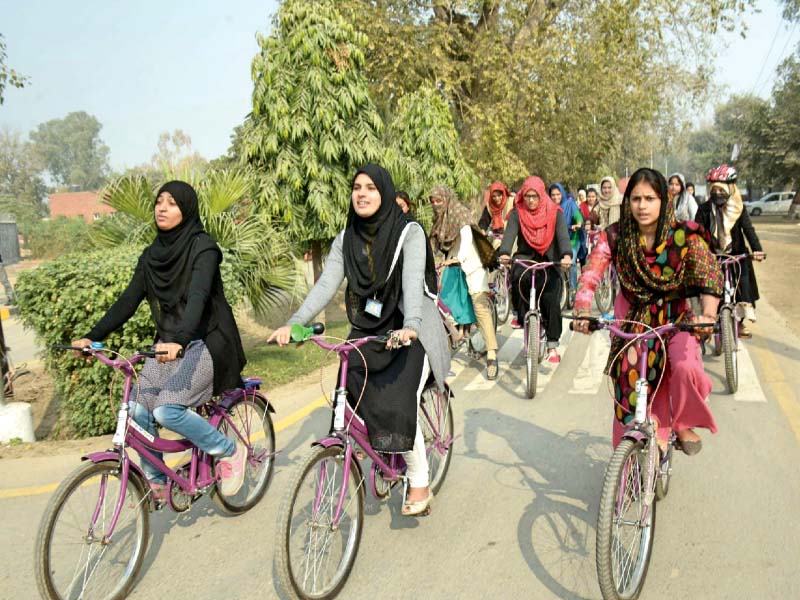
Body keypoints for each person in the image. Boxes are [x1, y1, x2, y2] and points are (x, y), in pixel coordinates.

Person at [269, 164, 449, 516]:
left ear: (384, 193)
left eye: (370, 187)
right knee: (352, 384)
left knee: (398, 398)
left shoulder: (408, 232)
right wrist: (295, 323)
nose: (362, 193)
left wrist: (411, 326)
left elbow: (413, 282)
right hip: (371, 325)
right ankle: (383, 450)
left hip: (410, 327)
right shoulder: (346, 238)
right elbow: (325, 285)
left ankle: (419, 476)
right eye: (356, 187)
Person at [72, 181, 248, 499]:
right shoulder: (152, 256)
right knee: (136, 410)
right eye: (159, 202)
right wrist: (92, 337)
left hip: (207, 342)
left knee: (167, 411)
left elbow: (197, 297)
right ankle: (157, 479)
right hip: (168, 345)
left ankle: (229, 450)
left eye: (172, 203)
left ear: (187, 210)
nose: (162, 208)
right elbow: (128, 300)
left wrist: (180, 339)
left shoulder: (203, 248)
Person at [573, 168, 723, 454]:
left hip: (676, 320)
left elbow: (709, 277)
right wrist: (582, 309)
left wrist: (708, 315)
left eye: (650, 198)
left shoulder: (684, 236)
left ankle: (681, 421)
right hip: (632, 321)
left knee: (684, 366)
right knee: (628, 387)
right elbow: (593, 270)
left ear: (663, 200)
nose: (642, 206)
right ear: (627, 201)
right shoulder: (616, 237)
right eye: (636, 199)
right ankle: (625, 464)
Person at [429, 185, 500, 380]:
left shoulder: (460, 213)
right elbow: (434, 243)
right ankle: (453, 341)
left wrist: (459, 258)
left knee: (479, 306)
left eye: (439, 201)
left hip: (472, 262)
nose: (436, 205)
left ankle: (492, 355)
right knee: (444, 305)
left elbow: (467, 237)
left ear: (447, 199)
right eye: (433, 202)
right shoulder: (439, 220)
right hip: (453, 263)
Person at [498, 176, 571, 363]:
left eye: (534, 196)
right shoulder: (517, 213)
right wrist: (505, 252)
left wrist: (566, 255)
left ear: (541, 195)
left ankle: (552, 345)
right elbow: (510, 235)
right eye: (527, 196)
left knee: (551, 299)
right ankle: (521, 316)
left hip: (550, 260)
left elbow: (563, 236)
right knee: (516, 278)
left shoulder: (555, 212)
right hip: (526, 258)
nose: (530, 200)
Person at [695, 164, 765, 338]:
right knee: (709, 289)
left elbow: (748, 230)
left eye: (721, 189)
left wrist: (757, 250)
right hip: (712, 255)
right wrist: (699, 252)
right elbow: (697, 234)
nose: (717, 193)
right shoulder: (704, 209)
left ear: (730, 188)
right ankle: (710, 320)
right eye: (714, 189)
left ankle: (739, 323)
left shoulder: (738, 208)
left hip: (736, 254)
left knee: (743, 284)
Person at [549, 182, 584, 302]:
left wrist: (578, 224)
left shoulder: (570, 204)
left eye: (558, 194)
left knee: (572, 262)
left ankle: (573, 290)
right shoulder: (549, 207)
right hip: (556, 241)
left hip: (572, 239)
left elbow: (578, 216)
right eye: (552, 195)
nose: (555, 197)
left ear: (562, 194)